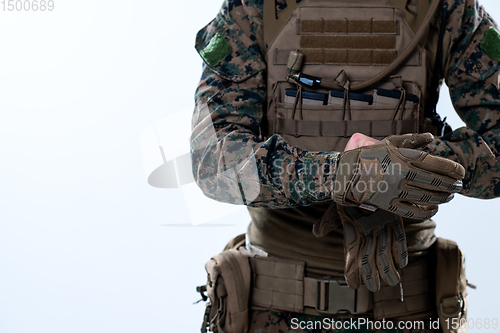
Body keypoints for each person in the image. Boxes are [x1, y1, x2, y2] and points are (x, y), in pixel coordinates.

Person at [192, 0, 500, 332]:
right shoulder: (254, 6)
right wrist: (343, 175)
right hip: (271, 306)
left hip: (409, 304)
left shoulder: (449, 7)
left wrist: (399, 166)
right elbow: (213, 161)